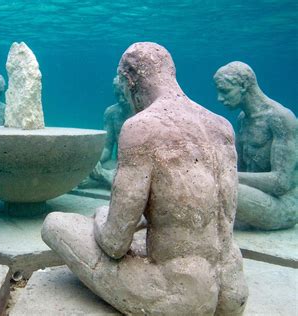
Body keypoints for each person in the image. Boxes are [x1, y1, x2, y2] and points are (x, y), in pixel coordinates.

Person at [42, 42, 248, 315]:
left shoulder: (142, 127)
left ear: (129, 80)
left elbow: (114, 244)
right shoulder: (221, 125)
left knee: (56, 224)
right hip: (233, 289)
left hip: (181, 294)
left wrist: (102, 215)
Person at [214, 61, 297, 230]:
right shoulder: (243, 119)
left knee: (223, 188)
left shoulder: (281, 118)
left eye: (225, 91)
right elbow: (240, 169)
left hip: (284, 206)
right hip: (256, 196)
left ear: (244, 86)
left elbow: (281, 183)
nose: (219, 98)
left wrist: (226, 175)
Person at [78, 75, 133, 189]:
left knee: (133, 176)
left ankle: (102, 180)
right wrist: (95, 161)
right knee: (90, 168)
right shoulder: (111, 113)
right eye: (118, 95)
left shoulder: (143, 113)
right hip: (117, 165)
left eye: (124, 95)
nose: (121, 99)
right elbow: (107, 148)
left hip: (136, 165)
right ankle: (109, 180)